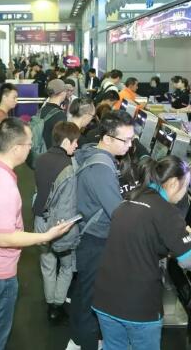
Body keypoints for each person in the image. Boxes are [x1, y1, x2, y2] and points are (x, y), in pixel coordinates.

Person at [0, 118, 74, 350]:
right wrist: (46, 236)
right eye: (29, 144)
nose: (31, 148)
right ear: (16, 149)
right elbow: (5, 238)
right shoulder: (5, 187)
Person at [93, 156, 191, 350]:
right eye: (186, 186)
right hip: (139, 306)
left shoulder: (131, 198)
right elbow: (190, 261)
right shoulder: (167, 212)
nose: (186, 193)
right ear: (173, 183)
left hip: (104, 298)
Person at [69, 111, 135, 350]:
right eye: (125, 140)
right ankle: (87, 343)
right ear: (107, 138)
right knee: (91, 299)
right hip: (96, 240)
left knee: (83, 292)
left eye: (132, 140)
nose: (130, 145)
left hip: (87, 233)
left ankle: (78, 338)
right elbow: (117, 212)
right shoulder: (102, 168)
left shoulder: (92, 153)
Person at [33, 121, 81, 324]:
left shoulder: (40, 159)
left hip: (40, 221)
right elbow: (68, 204)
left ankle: (50, 303)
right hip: (61, 225)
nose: (77, 145)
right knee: (67, 266)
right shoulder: (70, 166)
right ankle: (58, 305)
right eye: (75, 142)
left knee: (48, 265)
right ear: (66, 141)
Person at [40, 79, 70, 149]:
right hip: (51, 152)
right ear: (62, 93)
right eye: (65, 91)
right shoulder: (59, 115)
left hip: (40, 151)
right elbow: (62, 142)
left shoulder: (41, 110)